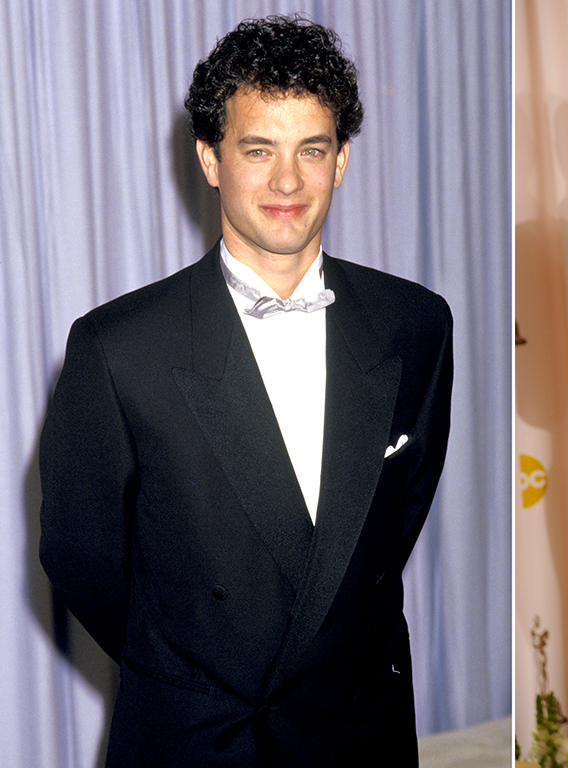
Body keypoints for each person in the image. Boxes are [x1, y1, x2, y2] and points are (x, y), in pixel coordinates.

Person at [39, 15, 452, 767]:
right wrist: (191, 674)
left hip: (358, 732)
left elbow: (385, 538)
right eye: (258, 150)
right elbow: (81, 562)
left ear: (343, 160)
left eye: (312, 150)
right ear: (210, 159)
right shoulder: (117, 346)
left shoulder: (415, 324)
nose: (287, 182)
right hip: (198, 740)